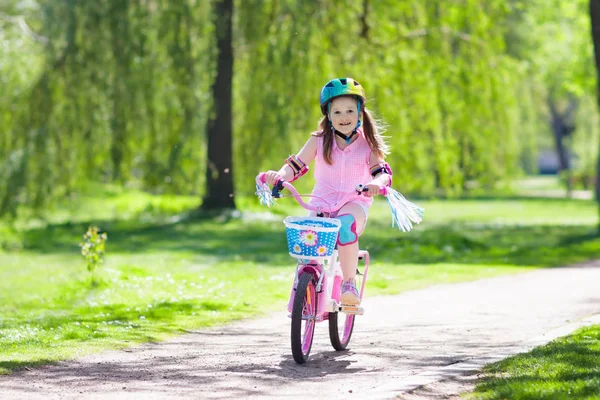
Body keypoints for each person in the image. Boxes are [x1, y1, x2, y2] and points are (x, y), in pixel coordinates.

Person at [260, 77, 393, 306]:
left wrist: (377, 183)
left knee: (345, 225)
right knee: (308, 240)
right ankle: (309, 282)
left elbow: (382, 171)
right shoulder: (319, 141)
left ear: (360, 113)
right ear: (328, 115)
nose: (344, 117)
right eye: (338, 112)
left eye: (350, 110)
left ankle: (349, 283)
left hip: (354, 202)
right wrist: (280, 175)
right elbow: (295, 165)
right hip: (322, 201)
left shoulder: (368, 144)